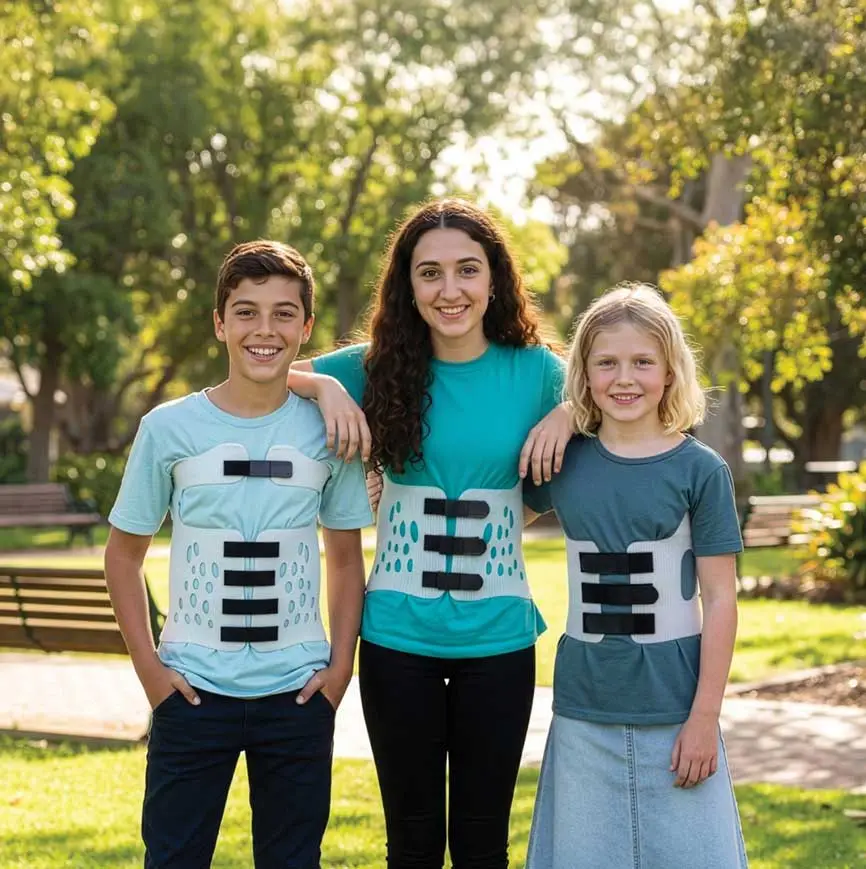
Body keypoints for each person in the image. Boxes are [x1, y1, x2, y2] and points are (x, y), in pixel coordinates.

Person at [289, 198, 571, 869]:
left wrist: (568, 412)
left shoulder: (536, 371)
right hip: (395, 638)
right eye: (430, 273)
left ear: (494, 279)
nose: (450, 290)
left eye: (467, 270)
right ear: (407, 286)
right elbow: (257, 377)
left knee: (481, 842)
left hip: (499, 639)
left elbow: (622, 395)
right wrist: (322, 390)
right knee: (411, 841)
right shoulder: (372, 365)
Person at [104, 240, 372, 869]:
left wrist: (339, 670)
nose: (264, 329)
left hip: (299, 693)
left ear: (305, 328)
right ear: (220, 323)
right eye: (246, 312)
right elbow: (122, 557)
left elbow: (345, 559)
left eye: (284, 314)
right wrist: (151, 672)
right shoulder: (167, 429)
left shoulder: (329, 430)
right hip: (191, 690)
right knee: (173, 858)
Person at [523, 283, 749, 869]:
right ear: (585, 373)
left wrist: (705, 717)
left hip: (677, 708)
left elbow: (721, 598)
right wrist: (563, 416)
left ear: (670, 372)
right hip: (583, 705)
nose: (625, 378)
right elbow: (499, 518)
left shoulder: (701, 471)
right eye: (607, 363)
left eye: (643, 362)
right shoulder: (562, 464)